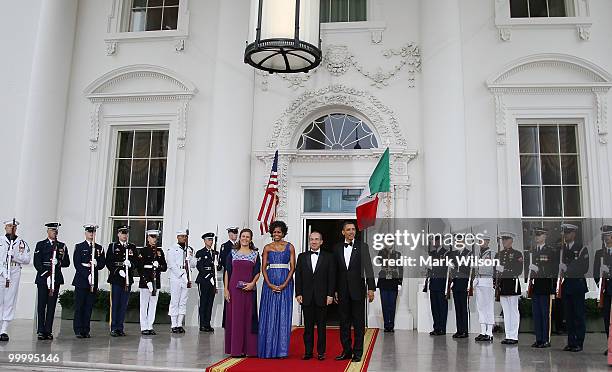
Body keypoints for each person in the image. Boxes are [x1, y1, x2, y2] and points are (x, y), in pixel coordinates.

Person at [333, 221, 375, 363]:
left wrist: (371, 288)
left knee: (358, 323)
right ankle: (346, 351)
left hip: (358, 290)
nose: (351, 232)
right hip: (342, 291)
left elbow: (368, 268)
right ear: (343, 232)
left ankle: (358, 353)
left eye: (353, 229)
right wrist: (334, 291)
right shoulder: (337, 248)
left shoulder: (363, 247)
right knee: (344, 323)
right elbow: (334, 272)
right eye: (348, 230)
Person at [295, 231, 335, 360]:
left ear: (321, 241)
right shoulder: (302, 256)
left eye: (316, 239)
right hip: (306, 297)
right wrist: (298, 293)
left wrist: (330, 295)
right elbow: (299, 277)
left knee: (322, 327)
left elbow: (331, 278)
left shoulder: (329, 257)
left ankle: (321, 352)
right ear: (309, 241)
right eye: (311, 239)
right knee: (308, 327)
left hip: (322, 297)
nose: (314, 241)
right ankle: (308, 352)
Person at [258, 220, 295, 358]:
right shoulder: (267, 247)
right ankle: (267, 348)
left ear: (283, 233)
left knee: (283, 314)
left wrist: (285, 283)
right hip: (270, 282)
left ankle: (282, 350)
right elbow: (263, 268)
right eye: (274, 232)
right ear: (271, 233)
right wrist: (269, 284)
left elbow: (292, 267)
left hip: (286, 281)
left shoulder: (290, 247)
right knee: (269, 313)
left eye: (279, 232)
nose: (276, 234)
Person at [224, 228, 261, 357]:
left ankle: (249, 349)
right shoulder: (232, 253)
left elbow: (257, 272)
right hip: (234, 290)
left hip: (249, 290)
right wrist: (226, 289)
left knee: (248, 317)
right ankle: (236, 349)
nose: (245, 239)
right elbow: (227, 271)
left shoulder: (255, 254)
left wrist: (252, 284)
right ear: (240, 237)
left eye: (247, 237)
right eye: (243, 236)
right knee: (235, 318)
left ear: (251, 239)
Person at [33, 222, 70, 340]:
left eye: (56, 231)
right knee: (41, 305)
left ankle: (48, 330)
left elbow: (66, 262)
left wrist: (58, 262)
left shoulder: (61, 246)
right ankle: (40, 330)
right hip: (44, 277)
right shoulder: (40, 245)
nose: (54, 232)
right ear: (48, 231)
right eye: (52, 230)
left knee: (52, 305)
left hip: (56, 278)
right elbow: (37, 262)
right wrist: (45, 274)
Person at [72, 224, 105, 338]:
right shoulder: (79, 247)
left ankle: (86, 329)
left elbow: (102, 264)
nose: (91, 234)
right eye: (89, 232)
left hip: (93, 281)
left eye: (93, 232)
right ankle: (78, 329)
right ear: (85, 233)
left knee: (89, 306)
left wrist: (97, 263)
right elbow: (77, 264)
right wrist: (87, 275)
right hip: (82, 280)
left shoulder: (99, 248)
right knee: (80, 305)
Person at [559, 223, 589, 352]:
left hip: (577, 285)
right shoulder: (562, 250)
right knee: (569, 316)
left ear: (574, 234)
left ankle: (579, 342)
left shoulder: (581, 248)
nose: (566, 235)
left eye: (568, 233)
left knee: (578, 315)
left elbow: (584, 267)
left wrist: (568, 269)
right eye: (565, 233)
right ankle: (571, 341)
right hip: (567, 285)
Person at [526, 227, 556, 348]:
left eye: (539, 235)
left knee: (545, 314)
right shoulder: (533, 251)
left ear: (545, 236)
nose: (537, 237)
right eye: (536, 235)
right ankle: (538, 338)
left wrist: (539, 269)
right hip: (535, 286)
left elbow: (552, 268)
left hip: (545, 286)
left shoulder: (550, 251)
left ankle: (546, 339)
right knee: (537, 313)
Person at [0, 219, 30, 341]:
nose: (11, 229)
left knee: (10, 299)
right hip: (2, 272)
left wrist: (15, 256)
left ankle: (4, 329)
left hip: (14, 270)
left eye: (13, 227)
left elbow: (27, 259)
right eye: (9, 226)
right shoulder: (1, 241)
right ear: (5, 227)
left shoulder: (21, 243)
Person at [106, 225, 137, 337]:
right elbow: (109, 262)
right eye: (123, 233)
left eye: (126, 233)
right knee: (115, 303)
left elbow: (136, 261)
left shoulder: (132, 247)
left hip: (128, 279)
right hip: (116, 279)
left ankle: (120, 327)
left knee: (123, 304)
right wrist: (118, 270)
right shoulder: (113, 246)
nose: (125, 235)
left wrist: (131, 265)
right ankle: (114, 327)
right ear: (118, 234)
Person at [137, 229, 167, 336]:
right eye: (152, 237)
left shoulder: (159, 251)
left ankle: (150, 325)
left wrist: (158, 265)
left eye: (156, 238)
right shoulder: (143, 251)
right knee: (144, 305)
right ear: (148, 238)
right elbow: (140, 268)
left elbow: (165, 267)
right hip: (146, 282)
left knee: (153, 304)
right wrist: (147, 281)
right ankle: (144, 326)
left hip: (156, 281)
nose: (154, 239)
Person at [495, 232, 522, 345]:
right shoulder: (498, 254)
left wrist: (504, 270)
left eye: (506, 239)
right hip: (502, 285)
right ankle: (508, 335)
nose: (504, 241)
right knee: (506, 312)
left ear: (511, 240)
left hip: (512, 284)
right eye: (503, 240)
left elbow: (518, 271)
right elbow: (495, 271)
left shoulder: (517, 254)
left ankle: (514, 336)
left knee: (513, 311)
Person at [167, 229, 196, 333]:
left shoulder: (189, 249)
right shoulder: (172, 249)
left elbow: (193, 264)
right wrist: (180, 274)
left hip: (187, 275)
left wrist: (190, 257)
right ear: (178, 237)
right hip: (176, 276)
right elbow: (171, 264)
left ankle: (179, 324)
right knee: (175, 300)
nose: (184, 238)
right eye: (182, 236)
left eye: (185, 236)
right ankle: (173, 324)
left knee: (183, 300)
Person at [376, 243, 403, 333]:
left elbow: (401, 268)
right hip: (383, 281)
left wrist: (400, 282)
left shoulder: (398, 254)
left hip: (393, 281)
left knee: (392, 304)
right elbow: (380, 260)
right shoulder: (381, 253)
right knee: (384, 304)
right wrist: (386, 251)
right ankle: (386, 325)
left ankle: (391, 325)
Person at [595, 225, 612, 355]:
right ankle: (610, 345)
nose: (607, 237)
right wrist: (600, 282)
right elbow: (595, 272)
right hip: (606, 291)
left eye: (609, 235)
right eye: (605, 235)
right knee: (607, 320)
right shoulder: (600, 253)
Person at [450, 234, 471, 339]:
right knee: (457, 308)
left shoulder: (468, 253)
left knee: (463, 308)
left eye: (460, 240)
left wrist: (457, 266)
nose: (458, 242)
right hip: (456, 283)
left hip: (463, 283)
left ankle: (465, 331)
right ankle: (459, 330)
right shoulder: (454, 253)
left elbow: (468, 268)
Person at [474, 234, 495, 342]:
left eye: (483, 241)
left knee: (488, 307)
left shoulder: (492, 253)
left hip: (487, 280)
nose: (481, 243)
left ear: (487, 241)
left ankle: (489, 332)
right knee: (480, 307)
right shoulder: (479, 254)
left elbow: (493, 268)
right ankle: (483, 331)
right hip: (479, 280)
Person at [427, 235, 449, 336]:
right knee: (434, 306)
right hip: (433, 283)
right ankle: (436, 327)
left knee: (442, 306)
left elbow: (444, 267)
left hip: (441, 283)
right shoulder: (431, 253)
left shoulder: (445, 253)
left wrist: (433, 266)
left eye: (436, 240)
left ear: (440, 241)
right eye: (433, 241)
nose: (434, 242)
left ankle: (442, 328)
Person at [196, 232, 218, 332]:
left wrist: (218, 264)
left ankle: (207, 323)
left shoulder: (215, 253)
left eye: (211, 240)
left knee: (210, 302)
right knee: (203, 301)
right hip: (204, 280)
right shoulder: (200, 252)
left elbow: (218, 267)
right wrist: (208, 276)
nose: (211, 241)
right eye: (209, 240)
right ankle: (202, 324)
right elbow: (199, 267)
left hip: (212, 280)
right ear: (204, 241)